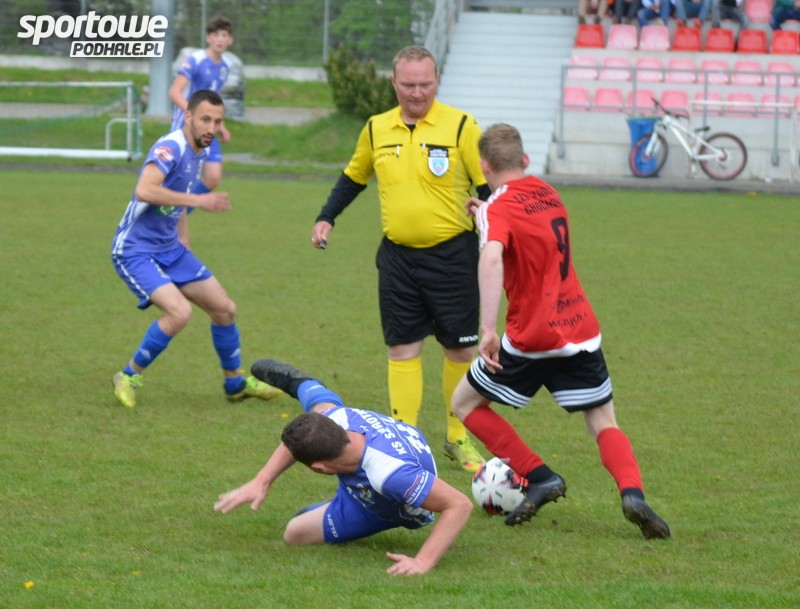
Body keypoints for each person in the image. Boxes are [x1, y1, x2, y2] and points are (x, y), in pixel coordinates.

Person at [450, 123, 671, 540]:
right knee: (603, 421)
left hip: (531, 337)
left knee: (464, 403)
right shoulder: (549, 193)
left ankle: (540, 476)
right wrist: (486, 214)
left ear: (484, 166)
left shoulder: (498, 208)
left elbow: (493, 257)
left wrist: (487, 329)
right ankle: (633, 494)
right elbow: (525, 227)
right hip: (578, 329)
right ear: (525, 160)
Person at [310, 45, 490, 473]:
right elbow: (354, 177)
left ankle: (457, 437)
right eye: (408, 85)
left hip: (453, 257)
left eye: (425, 84)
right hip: (398, 260)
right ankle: (404, 442)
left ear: (437, 80)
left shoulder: (461, 126)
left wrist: (493, 214)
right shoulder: (376, 128)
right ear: (394, 83)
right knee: (402, 348)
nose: (417, 92)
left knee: (460, 351)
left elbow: (488, 187)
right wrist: (327, 216)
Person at [214, 358, 474, 575]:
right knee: (318, 407)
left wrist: (423, 561)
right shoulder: (334, 419)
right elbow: (300, 436)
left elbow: (459, 504)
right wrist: (261, 480)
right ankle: (303, 384)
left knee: (294, 533)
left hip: (384, 506)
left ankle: (334, 506)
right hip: (380, 462)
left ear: (320, 468)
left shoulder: (389, 475)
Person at [110, 89, 280, 408]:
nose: (211, 128)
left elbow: (178, 198)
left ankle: (235, 383)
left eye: (217, 121)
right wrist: (199, 200)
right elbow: (145, 190)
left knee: (225, 309)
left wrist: (184, 239)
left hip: (171, 249)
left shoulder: (200, 150)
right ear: (187, 116)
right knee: (179, 313)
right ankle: (128, 375)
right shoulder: (170, 146)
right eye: (205, 119)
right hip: (135, 250)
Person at [167, 14, 234, 195]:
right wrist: (195, 113)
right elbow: (174, 92)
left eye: (224, 35)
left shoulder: (225, 67)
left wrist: (221, 126)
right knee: (182, 182)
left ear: (230, 40)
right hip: (187, 127)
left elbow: (213, 98)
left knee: (213, 178)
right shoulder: (195, 60)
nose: (220, 39)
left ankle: (180, 208)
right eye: (216, 35)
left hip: (208, 128)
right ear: (208, 38)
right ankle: (167, 209)